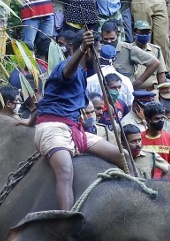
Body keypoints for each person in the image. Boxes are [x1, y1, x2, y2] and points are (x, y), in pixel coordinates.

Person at [32, 29, 125, 210]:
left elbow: (45, 101)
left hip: (75, 130)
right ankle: (67, 221)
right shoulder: (65, 66)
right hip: (53, 128)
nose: (98, 56)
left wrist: (29, 123)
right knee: (66, 171)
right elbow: (68, 72)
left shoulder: (83, 72)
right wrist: (82, 49)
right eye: (96, 51)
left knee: (123, 156)